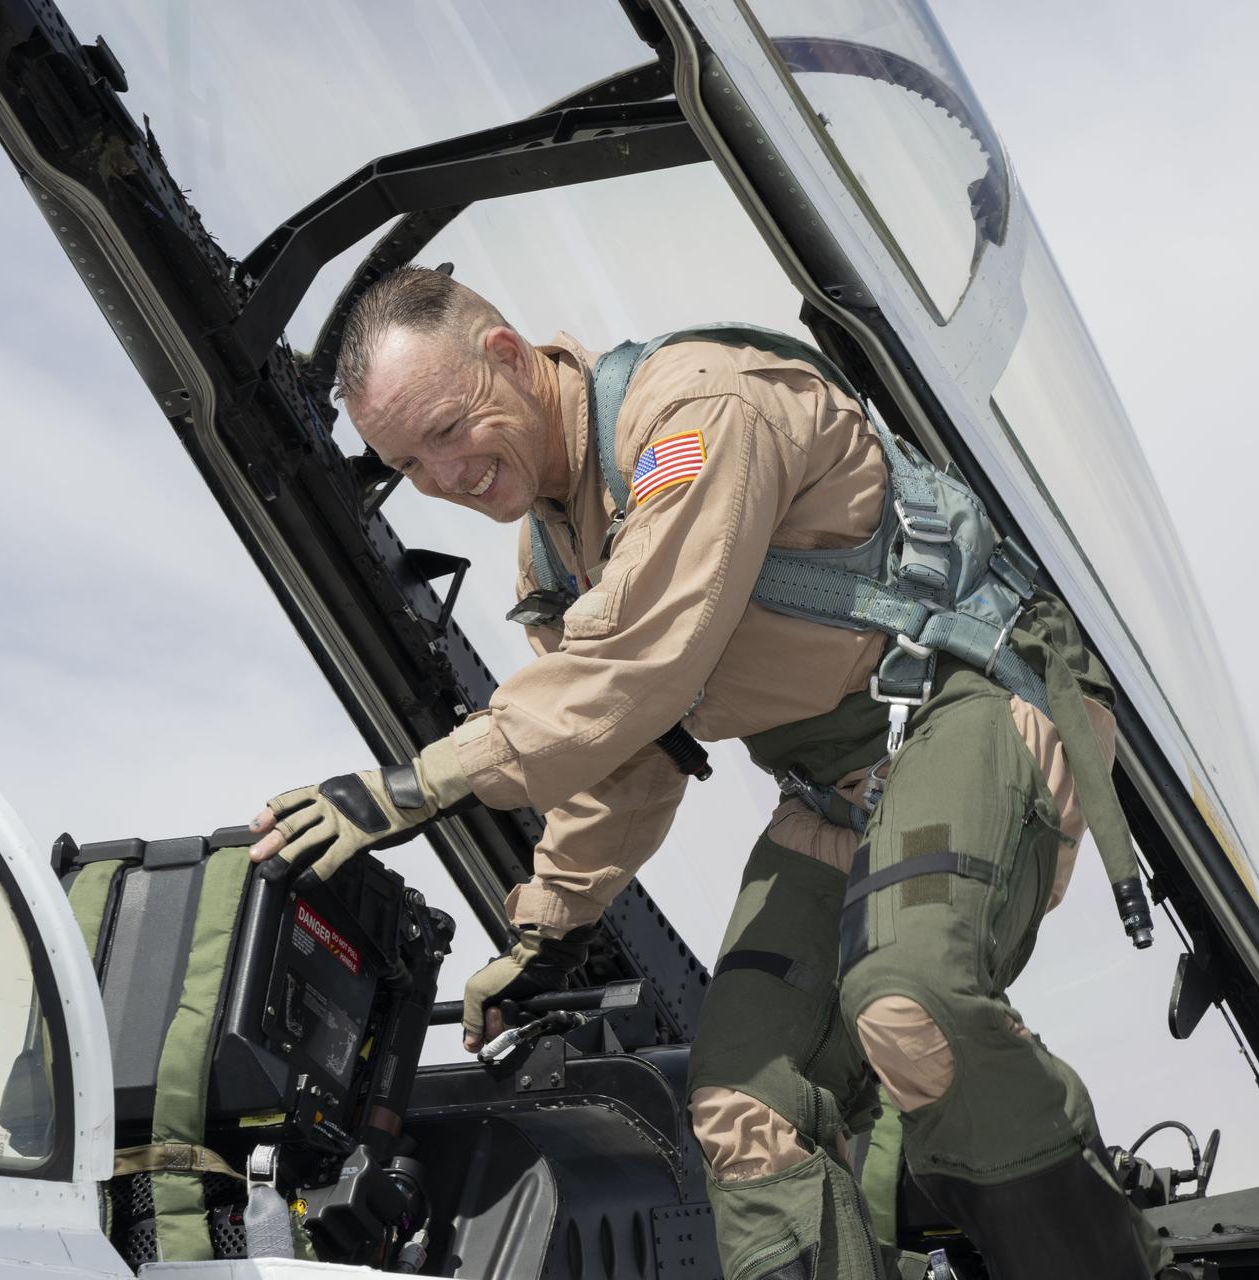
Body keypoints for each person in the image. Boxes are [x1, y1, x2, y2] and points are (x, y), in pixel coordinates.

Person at [247, 266, 1169, 1279]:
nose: (445, 473)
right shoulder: (553, 555)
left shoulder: (694, 411)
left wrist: (411, 786)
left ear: (506, 355)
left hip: (975, 697)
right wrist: (550, 925)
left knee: (908, 998)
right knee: (742, 1104)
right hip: (838, 789)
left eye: (450, 428)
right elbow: (620, 749)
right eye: (409, 462)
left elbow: (639, 661)